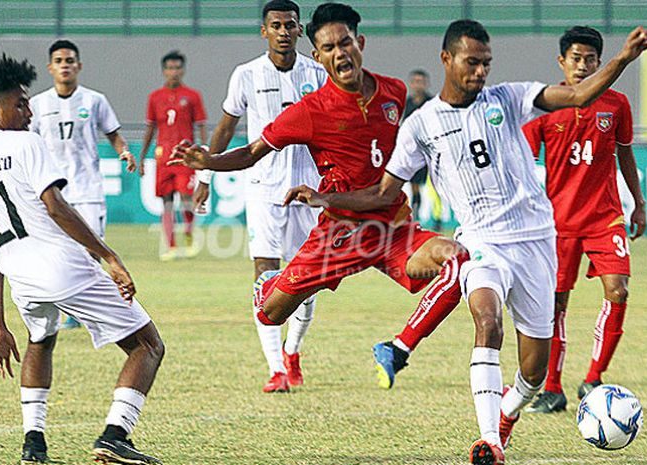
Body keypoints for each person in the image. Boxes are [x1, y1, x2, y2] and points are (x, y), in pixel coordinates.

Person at [283, 19, 647, 465]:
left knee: (532, 375)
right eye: (472, 63)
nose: (480, 72)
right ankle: (489, 441)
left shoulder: (510, 98)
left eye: (486, 64)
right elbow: (382, 193)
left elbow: (576, 95)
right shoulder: (422, 125)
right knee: (487, 322)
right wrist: (326, 197)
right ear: (447, 60)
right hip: (480, 242)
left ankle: (508, 415)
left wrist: (624, 59)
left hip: (535, 242)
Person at [171, 2, 471, 394]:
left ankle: (397, 349)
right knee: (270, 312)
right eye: (328, 48)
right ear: (319, 56)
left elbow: (419, 146)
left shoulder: (394, 92)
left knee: (460, 261)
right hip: (337, 233)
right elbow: (252, 152)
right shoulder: (308, 109)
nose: (339, 52)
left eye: (345, 42)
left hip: (392, 229)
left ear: (359, 42)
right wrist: (209, 163)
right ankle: (278, 307)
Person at [0, 55, 164, 465]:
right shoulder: (26, 141)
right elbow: (55, 206)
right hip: (62, 269)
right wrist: (108, 256)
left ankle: (33, 445)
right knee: (148, 345)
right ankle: (115, 434)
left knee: (42, 339)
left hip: (21, 278)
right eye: (19, 104)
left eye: (28, 101)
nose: (29, 109)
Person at [194, 0, 326, 393]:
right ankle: (276, 370)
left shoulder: (318, 74)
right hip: (263, 191)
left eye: (290, 25)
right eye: (276, 25)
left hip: (309, 193)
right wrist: (205, 173)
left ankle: (293, 350)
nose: (284, 31)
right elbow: (225, 128)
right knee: (265, 277)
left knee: (308, 282)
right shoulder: (246, 74)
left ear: (300, 31)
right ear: (264, 31)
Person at [522, 26, 646, 414]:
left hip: (604, 218)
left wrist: (638, 203)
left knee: (619, 291)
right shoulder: (545, 106)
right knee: (556, 303)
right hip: (556, 224)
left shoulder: (617, 104)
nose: (582, 65)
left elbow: (624, 154)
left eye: (590, 58)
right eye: (575, 58)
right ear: (562, 62)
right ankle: (553, 388)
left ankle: (593, 377)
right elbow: (524, 164)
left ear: (598, 61)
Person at [30, 39, 137, 330]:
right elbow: (28, 142)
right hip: (53, 193)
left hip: (88, 189)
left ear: (79, 66)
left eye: (70, 61)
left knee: (90, 250)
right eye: (60, 61)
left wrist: (123, 151)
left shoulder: (94, 100)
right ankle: (67, 307)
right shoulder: (38, 104)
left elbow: (113, 133)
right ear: (50, 67)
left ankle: (85, 310)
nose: (65, 65)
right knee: (59, 251)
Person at [139, 50, 208, 261]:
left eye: (177, 68)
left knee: (187, 198)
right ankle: (170, 245)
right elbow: (151, 128)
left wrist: (203, 150)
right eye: (170, 68)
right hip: (163, 158)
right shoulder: (155, 97)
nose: (173, 72)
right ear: (163, 71)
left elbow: (201, 125)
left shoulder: (192, 96)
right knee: (166, 201)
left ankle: (188, 231)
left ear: (183, 70)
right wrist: (142, 157)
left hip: (185, 156)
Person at [403, 69, 440, 227]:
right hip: (414, 152)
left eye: (421, 82)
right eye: (415, 81)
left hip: (432, 152)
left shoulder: (433, 104)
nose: (418, 85)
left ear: (427, 83)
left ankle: (438, 217)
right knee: (415, 186)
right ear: (411, 84)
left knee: (436, 185)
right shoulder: (407, 104)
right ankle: (416, 214)